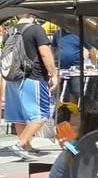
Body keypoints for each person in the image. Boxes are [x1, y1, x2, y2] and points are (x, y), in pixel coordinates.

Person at [3, 14, 58, 161]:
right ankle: (20, 144)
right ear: (33, 16)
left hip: (13, 77)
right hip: (33, 77)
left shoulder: (10, 31)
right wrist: (53, 74)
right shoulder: (36, 30)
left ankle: (27, 147)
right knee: (42, 114)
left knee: (20, 116)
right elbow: (45, 53)